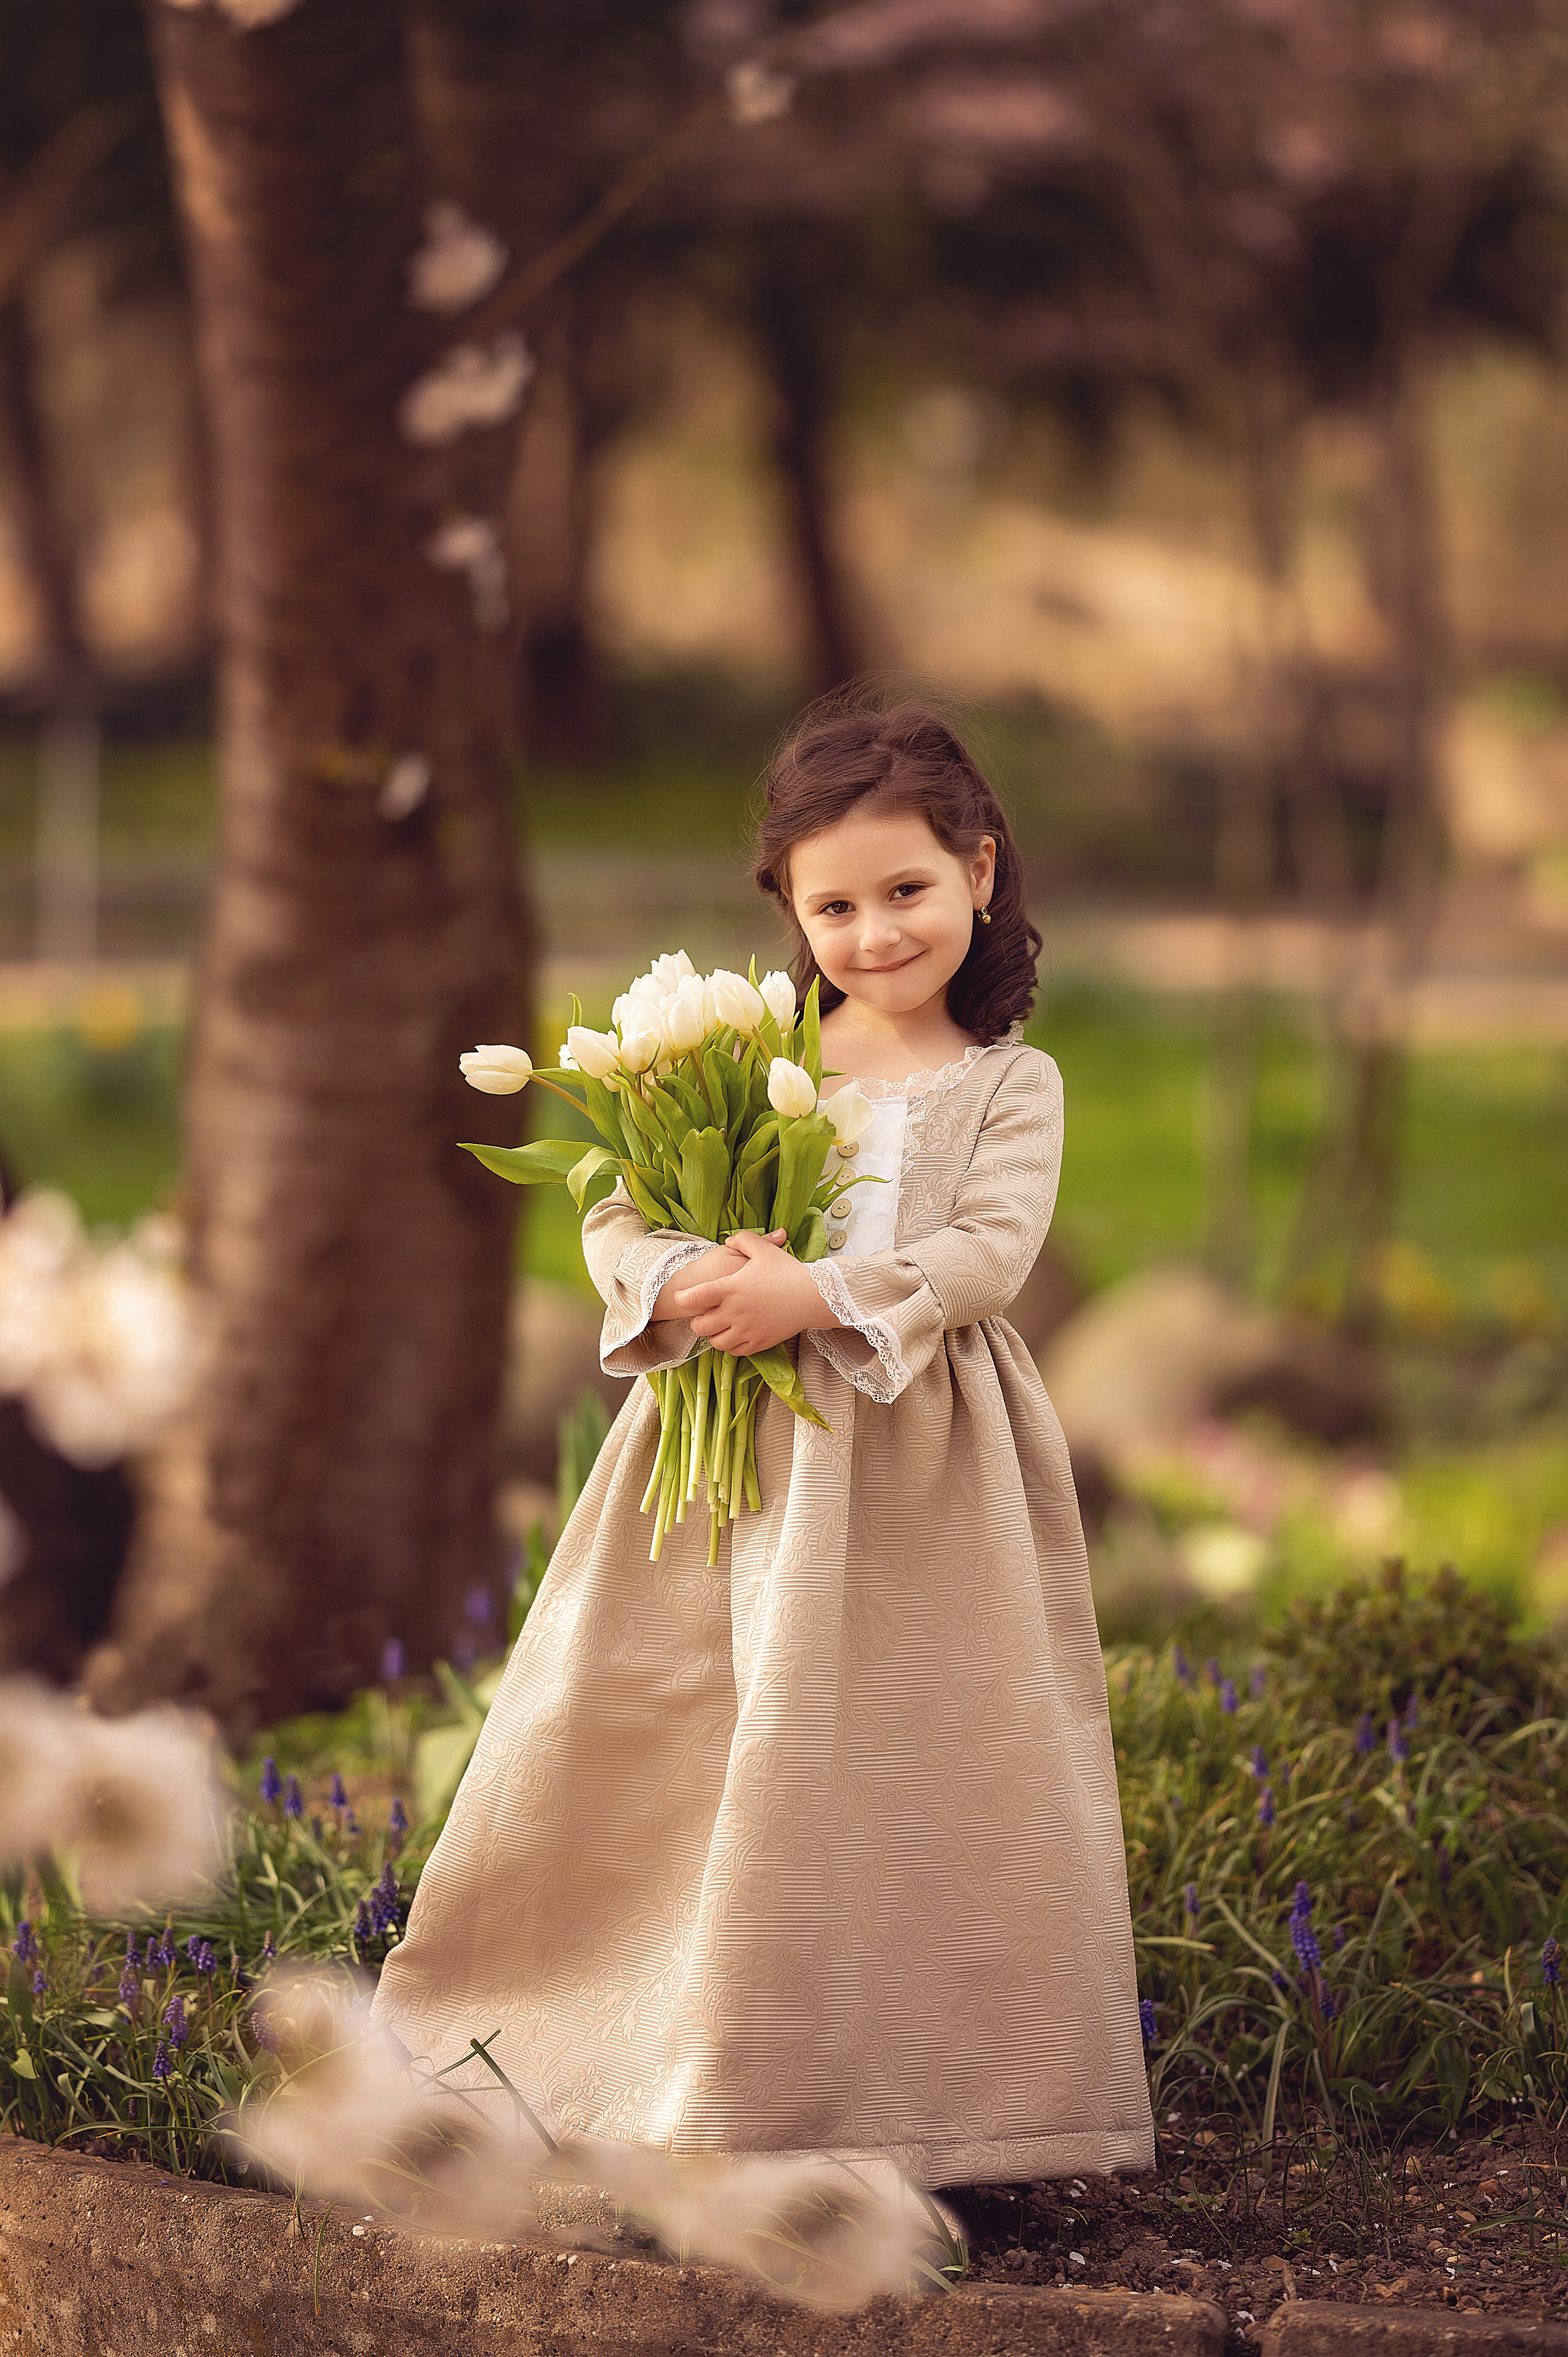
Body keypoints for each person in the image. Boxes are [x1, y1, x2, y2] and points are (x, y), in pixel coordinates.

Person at [371, 698, 1155, 2192]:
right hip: (722, 1471)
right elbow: (615, 1194)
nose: (874, 933)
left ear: (981, 871)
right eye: (835, 905)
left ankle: (906, 2095)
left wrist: (816, 1290)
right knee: (670, 1737)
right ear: (791, 913)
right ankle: (617, 2053)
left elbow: (987, 1256)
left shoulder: (1005, 1081)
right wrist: (674, 1274)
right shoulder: (749, 1049)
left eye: (907, 889)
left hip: (916, 1459)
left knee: (902, 1759)